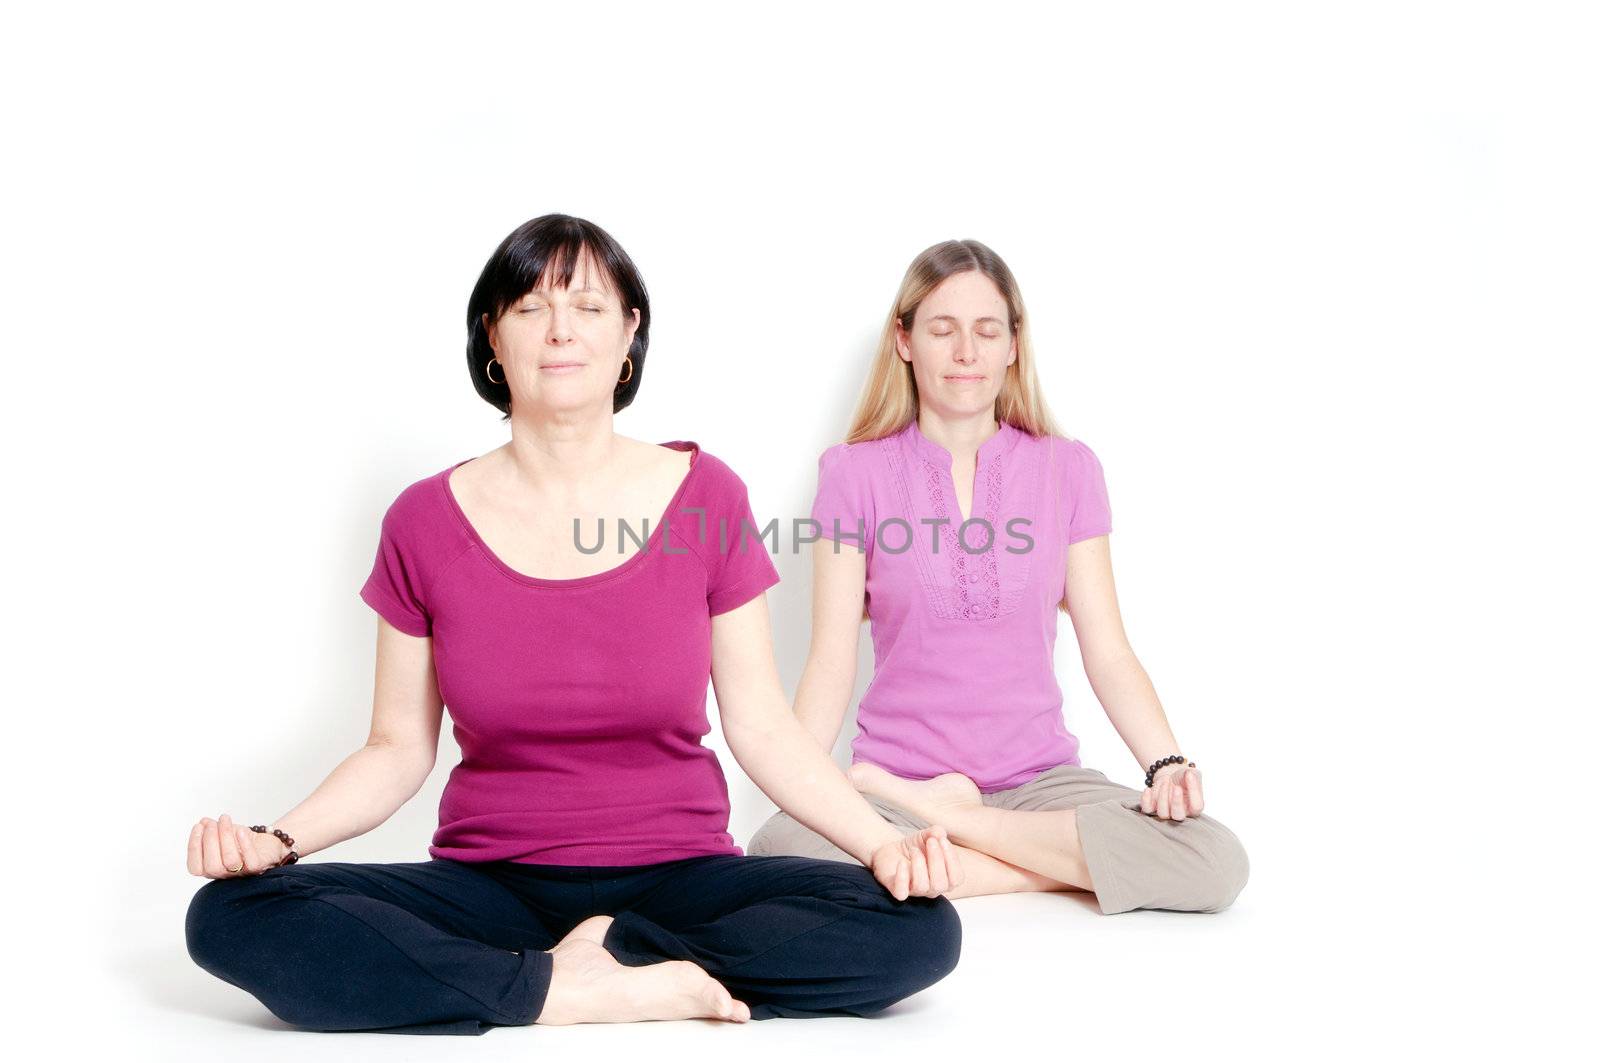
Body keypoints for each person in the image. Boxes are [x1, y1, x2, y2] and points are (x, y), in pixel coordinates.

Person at [183, 214, 962, 1035]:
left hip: (681, 878)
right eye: (529, 306)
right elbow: (396, 749)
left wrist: (880, 845)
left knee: (921, 928)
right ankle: (569, 987)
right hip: (492, 888)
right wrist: (278, 838)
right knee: (229, 915)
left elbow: (764, 726)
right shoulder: (420, 521)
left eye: (588, 306)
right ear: (493, 336)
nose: (560, 329)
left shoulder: (709, 498)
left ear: (630, 333)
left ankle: (611, 952)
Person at [746, 239, 1250, 915]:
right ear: (904, 340)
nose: (966, 353)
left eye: (987, 331)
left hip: (1040, 785)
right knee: (781, 846)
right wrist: (803, 788)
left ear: (1014, 344)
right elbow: (830, 658)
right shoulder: (852, 474)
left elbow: (1109, 649)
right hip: (892, 784)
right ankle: (1054, 866)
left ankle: (958, 835)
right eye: (942, 330)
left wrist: (1165, 764)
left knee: (1214, 860)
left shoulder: (1069, 470)